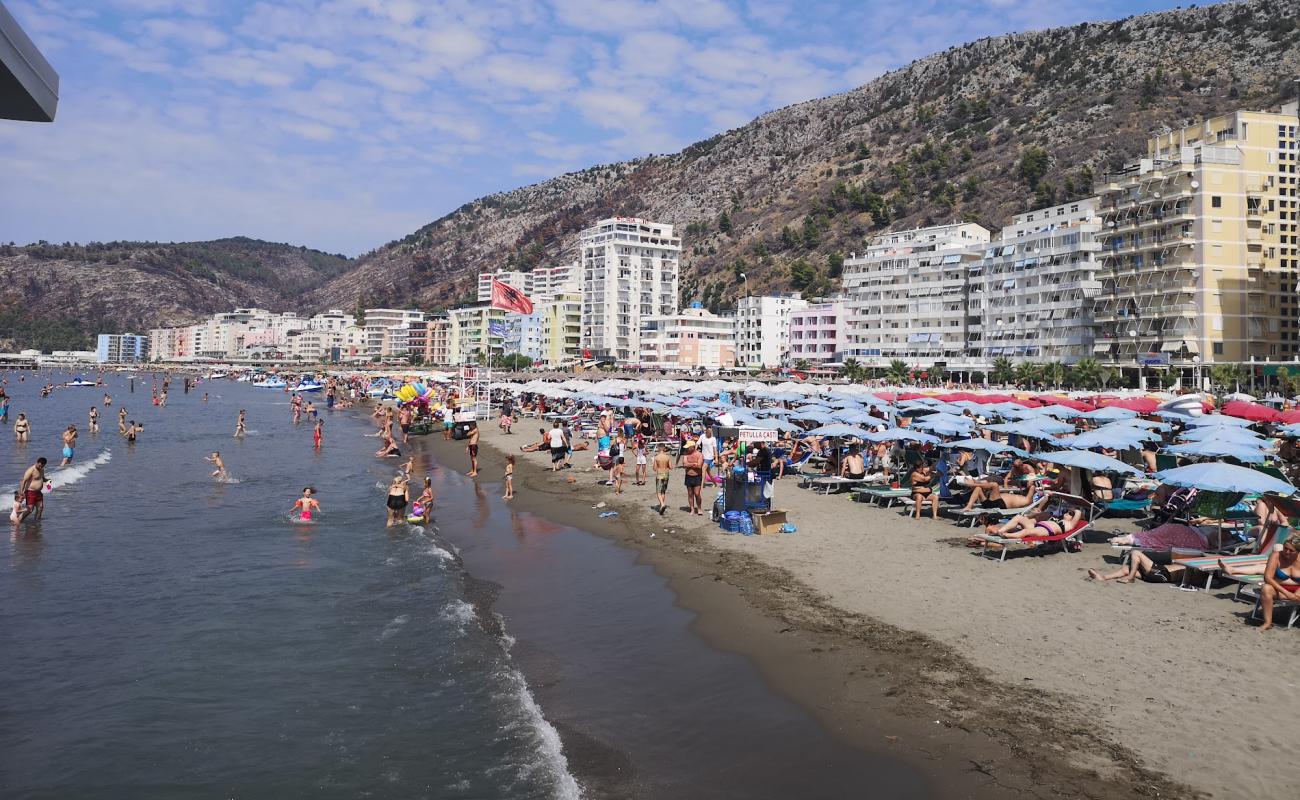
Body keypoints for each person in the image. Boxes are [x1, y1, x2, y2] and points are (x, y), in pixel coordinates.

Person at [1259, 532, 1300, 631]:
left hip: (1298, 590)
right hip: (1281, 589)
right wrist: (1287, 593)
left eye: (1291, 550)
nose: (1287, 552)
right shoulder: (1276, 555)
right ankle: (1267, 622)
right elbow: (1267, 577)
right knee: (1266, 588)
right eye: (1285, 548)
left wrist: (1297, 593)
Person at [1088, 550, 1183, 584]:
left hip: (1162, 572)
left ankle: (1130, 578)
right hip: (1158, 575)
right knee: (1126, 569)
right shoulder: (1191, 564)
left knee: (1136, 553)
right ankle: (1103, 578)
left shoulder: (1194, 566)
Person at [19, 458, 46, 523]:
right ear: (37, 462)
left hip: (38, 492)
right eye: (39, 465)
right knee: (30, 509)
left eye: (42, 466)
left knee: (40, 508)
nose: (40, 467)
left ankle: (36, 523)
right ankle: (18, 521)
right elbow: (23, 481)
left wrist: (48, 483)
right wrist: (21, 492)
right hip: (30, 492)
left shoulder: (42, 469)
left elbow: (42, 478)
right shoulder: (31, 470)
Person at [682, 440, 704, 515]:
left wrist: (690, 464)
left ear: (692, 447)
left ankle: (699, 508)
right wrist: (694, 463)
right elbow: (684, 465)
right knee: (690, 493)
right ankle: (692, 509)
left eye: (688, 447)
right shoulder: (686, 454)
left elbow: (699, 466)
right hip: (688, 476)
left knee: (697, 493)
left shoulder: (699, 454)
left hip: (697, 476)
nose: (687, 449)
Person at [652, 444, 673, 516]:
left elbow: (654, 469)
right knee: (663, 491)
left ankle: (662, 504)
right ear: (664, 449)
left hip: (660, 475)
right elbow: (671, 467)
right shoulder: (667, 457)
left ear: (658, 448)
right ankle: (661, 506)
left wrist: (657, 465)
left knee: (658, 492)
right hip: (666, 474)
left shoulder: (656, 457)